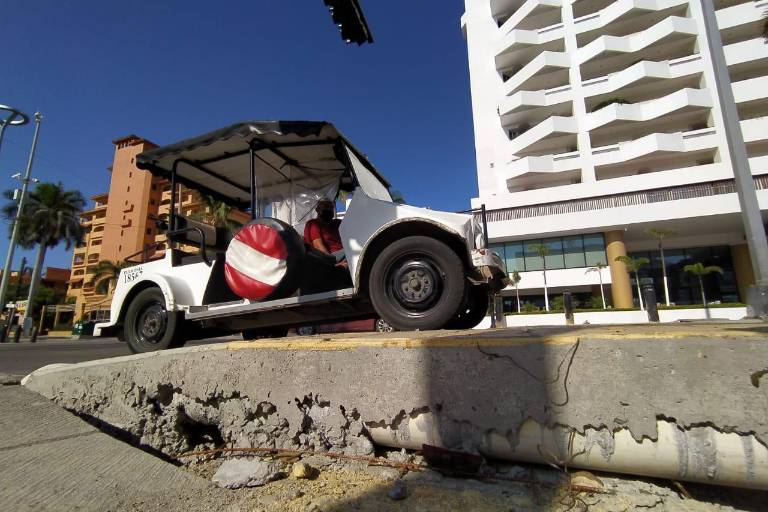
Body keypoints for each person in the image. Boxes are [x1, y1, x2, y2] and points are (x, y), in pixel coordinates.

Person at [303, 199, 347, 268]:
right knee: (351, 252)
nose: (329, 209)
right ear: (317, 209)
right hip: (330, 257)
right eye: (325, 207)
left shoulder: (337, 223)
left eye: (331, 207)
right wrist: (331, 264)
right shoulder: (313, 224)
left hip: (343, 253)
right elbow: (318, 246)